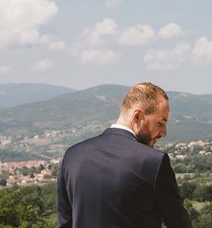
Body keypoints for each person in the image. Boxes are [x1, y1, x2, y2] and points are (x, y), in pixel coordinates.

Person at [56, 82, 192, 228]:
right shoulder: (154, 162)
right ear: (138, 116)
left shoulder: (72, 156)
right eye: (160, 123)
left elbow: (65, 223)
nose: (164, 133)